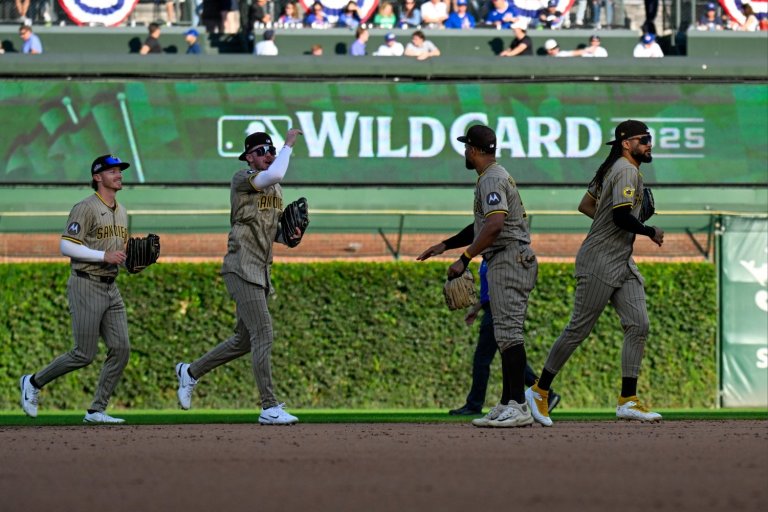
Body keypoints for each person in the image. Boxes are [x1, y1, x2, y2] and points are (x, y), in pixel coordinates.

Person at [526, 119, 665, 427]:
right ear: (626, 143)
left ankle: (628, 400)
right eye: (644, 139)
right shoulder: (627, 170)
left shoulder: (611, 169)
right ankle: (539, 390)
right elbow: (619, 217)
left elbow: (587, 205)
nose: (649, 143)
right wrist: (648, 229)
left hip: (620, 260)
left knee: (638, 324)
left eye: (650, 138)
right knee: (578, 328)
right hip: (600, 260)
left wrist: (611, 219)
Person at [175, 129, 305, 426]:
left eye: (271, 150)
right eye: (261, 151)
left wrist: (290, 236)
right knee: (264, 333)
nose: (268, 155)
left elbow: (271, 232)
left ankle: (190, 372)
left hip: (261, 268)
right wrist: (288, 145)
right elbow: (272, 175)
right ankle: (269, 406)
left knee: (244, 340)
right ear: (249, 157)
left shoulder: (275, 190)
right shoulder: (242, 178)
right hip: (241, 265)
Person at [418, 125, 538, 428]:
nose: (464, 153)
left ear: (473, 150)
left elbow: (495, 225)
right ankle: (507, 401)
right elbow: (484, 226)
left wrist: (464, 258)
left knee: (509, 334)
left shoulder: (492, 179)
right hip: (507, 256)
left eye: (465, 147)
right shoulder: (493, 176)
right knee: (504, 335)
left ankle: (520, 406)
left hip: (509, 257)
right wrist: (446, 245)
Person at [19, 155, 136, 424]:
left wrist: (132, 261)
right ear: (98, 177)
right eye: (113, 171)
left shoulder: (121, 210)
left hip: (110, 286)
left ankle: (96, 410)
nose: (119, 175)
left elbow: (116, 252)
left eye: (120, 171)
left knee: (121, 348)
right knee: (84, 353)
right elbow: (66, 246)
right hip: (86, 283)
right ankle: (34, 383)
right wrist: (103, 257)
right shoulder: (85, 207)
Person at [449, 260, 561, 416]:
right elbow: (488, 291)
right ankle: (546, 393)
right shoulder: (487, 259)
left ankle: (474, 404)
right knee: (511, 359)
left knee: (483, 360)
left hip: (499, 310)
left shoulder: (498, 257)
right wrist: (476, 309)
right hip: (493, 309)